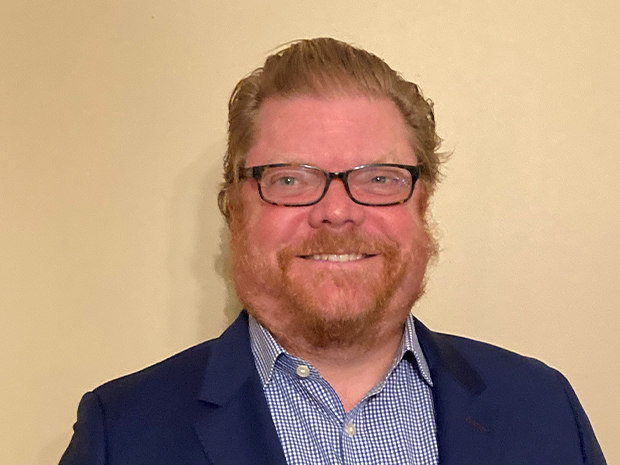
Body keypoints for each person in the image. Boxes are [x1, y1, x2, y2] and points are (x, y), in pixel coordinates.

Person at [60, 37, 606, 465]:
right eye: (290, 179)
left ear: (422, 204)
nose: (337, 211)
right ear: (235, 207)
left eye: (380, 178)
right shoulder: (122, 432)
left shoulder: (542, 408)